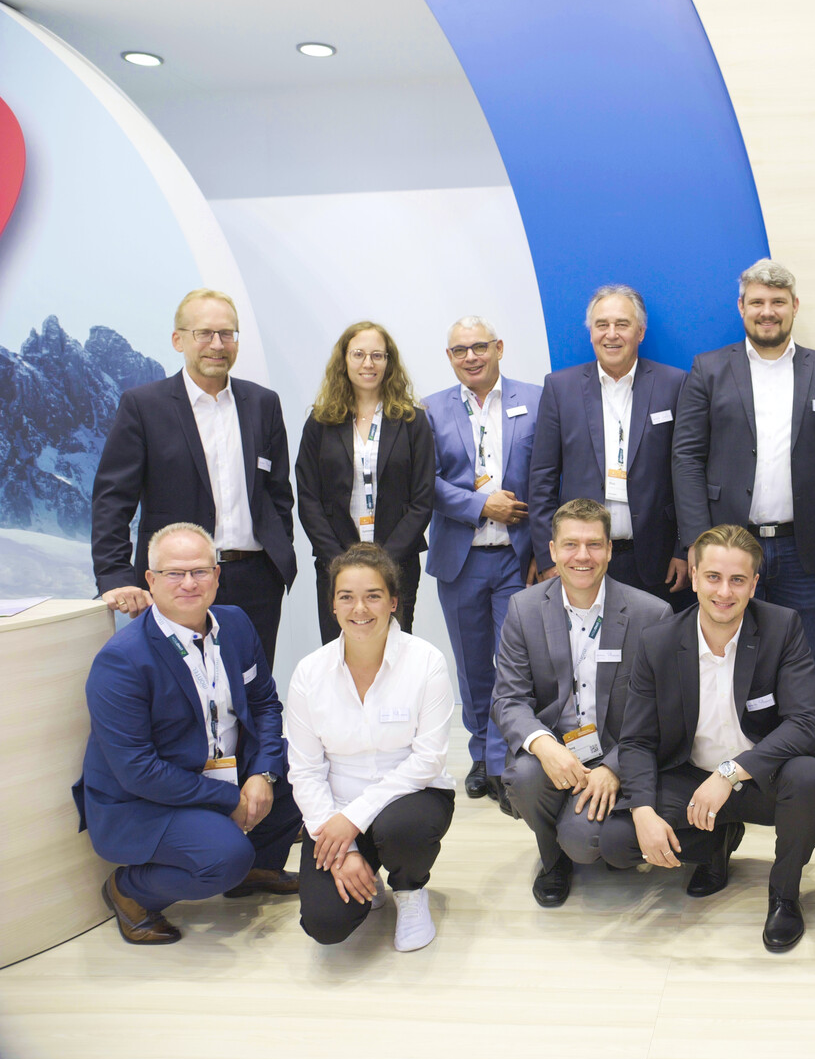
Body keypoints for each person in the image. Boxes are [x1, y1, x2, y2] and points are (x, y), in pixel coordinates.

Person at [598, 524, 815, 952]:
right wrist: (644, 810)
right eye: (713, 577)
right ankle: (713, 844)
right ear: (693, 575)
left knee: (810, 778)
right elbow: (637, 740)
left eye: (738, 580)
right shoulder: (659, 642)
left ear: (754, 584)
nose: (724, 592)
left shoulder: (782, 627)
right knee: (617, 840)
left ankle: (784, 893)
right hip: (691, 778)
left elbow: (806, 723)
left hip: (761, 777)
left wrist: (728, 773)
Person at [76, 522, 301, 945]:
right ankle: (130, 892)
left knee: (300, 764)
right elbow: (138, 771)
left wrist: (263, 774)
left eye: (200, 571)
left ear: (217, 575)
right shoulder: (123, 660)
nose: (189, 583)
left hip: (221, 772)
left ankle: (257, 868)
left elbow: (266, 706)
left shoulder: (235, 624)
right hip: (145, 801)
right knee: (225, 857)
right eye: (174, 573)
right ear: (150, 580)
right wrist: (231, 799)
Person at [672, 259, 815, 666]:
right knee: (730, 659)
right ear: (741, 307)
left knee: (801, 660)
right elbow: (686, 458)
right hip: (728, 547)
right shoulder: (708, 369)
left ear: (795, 306)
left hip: (805, 551)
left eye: (778, 302)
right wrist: (697, 542)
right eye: (757, 302)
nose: (767, 312)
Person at [92, 288, 296, 663]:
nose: (217, 344)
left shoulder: (263, 403)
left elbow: (278, 493)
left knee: (251, 686)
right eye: (204, 333)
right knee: (179, 688)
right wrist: (115, 575)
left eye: (227, 333)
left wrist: (277, 557)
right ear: (178, 340)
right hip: (178, 582)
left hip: (255, 582)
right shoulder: (144, 406)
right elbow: (113, 499)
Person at [493, 498, 672, 906]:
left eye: (594, 544)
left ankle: (580, 833)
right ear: (553, 551)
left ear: (609, 550)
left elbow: (661, 715)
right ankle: (552, 858)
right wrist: (545, 746)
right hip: (555, 748)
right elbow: (508, 698)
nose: (582, 556)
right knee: (524, 778)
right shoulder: (524, 609)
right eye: (571, 544)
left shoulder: (651, 614)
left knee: (586, 843)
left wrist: (614, 768)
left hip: (615, 750)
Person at [285, 543, 456, 952]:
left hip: (412, 798)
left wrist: (354, 818)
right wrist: (342, 846)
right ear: (333, 605)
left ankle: (410, 890)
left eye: (373, 596)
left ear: (393, 602)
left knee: (404, 829)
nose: (359, 608)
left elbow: (428, 759)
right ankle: (367, 874)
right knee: (325, 924)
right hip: (336, 812)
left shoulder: (426, 662)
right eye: (346, 597)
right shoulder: (309, 673)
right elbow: (305, 771)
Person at [426, 314, 541, 804]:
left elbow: (548, 474)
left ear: (499, 348)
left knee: (515, 664)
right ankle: (480, 755)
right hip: (461, 560)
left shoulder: (536, 400)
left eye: (479, 347)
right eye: (460, 350)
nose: (471, 357)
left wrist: (545, 550)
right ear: (449, 357)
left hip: (518, 557)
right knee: (473, 666)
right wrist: (480, 505)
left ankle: (504, 761)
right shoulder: (429, 410)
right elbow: (425, 483)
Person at [529, 285, 689, 605]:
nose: (611, 334)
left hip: (654, 559)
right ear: (591, 333)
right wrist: (549, 557)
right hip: (580, 559)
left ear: (640, 332)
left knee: (651, 637)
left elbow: (686, 473)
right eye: (602, 324)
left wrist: (682, 550)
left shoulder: (674, 384)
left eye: (622, 324)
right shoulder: (560, 388)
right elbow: (542, 480)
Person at [296, 320, 435, 644]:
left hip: (397, 565)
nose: (368, 363)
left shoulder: (412, 421)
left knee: (395, 654)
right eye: (358, 354)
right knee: (339, 654)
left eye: (377, 355)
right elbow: (308, 498)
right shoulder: (320, 422)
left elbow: (422, 500)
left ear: (389, 362)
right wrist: (340, 562)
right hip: (335, 565)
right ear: (344, 360)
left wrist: (383, 562)